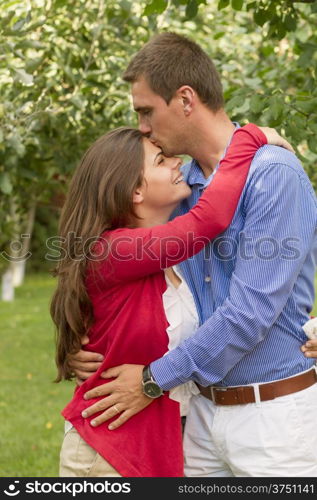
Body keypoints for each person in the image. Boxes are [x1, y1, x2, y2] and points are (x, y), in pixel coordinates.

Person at [70, 32, 317, 478]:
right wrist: (83, 343)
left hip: (272, 420)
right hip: (198, 418)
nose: (142, 127)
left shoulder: (272, 173)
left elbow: (250, 311)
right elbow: (106, 271)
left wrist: (151, 379)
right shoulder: (180, 191)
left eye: (146, 111)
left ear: (185, 99)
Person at [51, 121, 281, 477]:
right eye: (161, 160)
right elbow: (209, 220)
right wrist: (248, 137)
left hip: (157, 450)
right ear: (135, 192)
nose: (178, 162)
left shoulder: (168, 262)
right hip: (109, 455)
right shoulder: (115, 250)